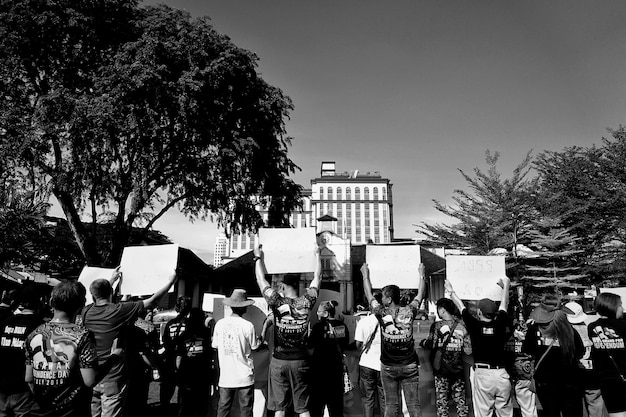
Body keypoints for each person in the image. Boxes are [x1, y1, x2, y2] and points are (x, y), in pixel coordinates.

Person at [82, 269, 177, 417]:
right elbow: (152, 301)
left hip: (90, 375)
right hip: (112, 377)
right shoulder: (118, 310)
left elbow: (99, 296)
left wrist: (111, 281)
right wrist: (171, 281)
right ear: (110, 293)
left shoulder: (86, 312)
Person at [24, 281, 122, 417]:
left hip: (40, 410)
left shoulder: (34, 334)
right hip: (72, 411)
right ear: (82, 304)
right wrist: (114, 357)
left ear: (52, 302)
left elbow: (29, 378)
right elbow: (90, 380)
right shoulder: (83, 335)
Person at [253, 245, 321, 417]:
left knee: (280, 409)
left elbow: (260, 280)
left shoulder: (276, 302)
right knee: (303, 408)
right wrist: (317, 255)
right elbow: (318, 276)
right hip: (301, 361)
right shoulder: (307, 301)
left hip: (278, 362)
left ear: (282, 287)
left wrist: (258, 257)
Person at [361, 263, 426, 417]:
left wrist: (365, 275)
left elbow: (368, 295)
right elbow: (420, 294)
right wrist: (422, 274)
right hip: (409, 364)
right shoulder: (410, 310)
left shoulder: (381, 312)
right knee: (413, 405)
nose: (381, 299)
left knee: (391, 404)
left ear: (389, 299)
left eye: (383, 296)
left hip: (389, 366)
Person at [445, 276, 513, 417]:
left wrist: (451, 291)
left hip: (483, 374)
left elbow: (461, 307)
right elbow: (504, 305)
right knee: (505, 413)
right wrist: (506, 285)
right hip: (502, 374)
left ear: (479, 312)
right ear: (494, 314)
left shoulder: (475, 326)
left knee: (483, 412)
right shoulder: (500, 324)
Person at [523, 294, 584, 417]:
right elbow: (580, 352)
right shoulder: (570, 330)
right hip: (570, 382)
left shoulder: (534, 329)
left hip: (545, 383)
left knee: (550, 413)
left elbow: (527, 349)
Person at [212, 289, 260, 417]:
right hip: (244, 375)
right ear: (244, 307)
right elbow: (255, 346)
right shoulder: (248, 325)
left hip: (226, 375)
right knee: (246, 410)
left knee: (223, 409)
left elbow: (215, 345)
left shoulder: (220, 324)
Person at [421, 298, 470, 417]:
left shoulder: (437, 325)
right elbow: (468, 350)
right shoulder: (462, 325)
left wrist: (422, 343)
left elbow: (431, 344)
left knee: (442, 404)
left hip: (441, 371)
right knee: (461, 403)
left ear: (442, 310)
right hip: (458, 371)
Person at [0, 284, 43, 417]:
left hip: (2, 387)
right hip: (24, 390)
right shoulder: (40, 327)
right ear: (41, 301)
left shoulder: (6, 322)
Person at [308, 300, 349, 417]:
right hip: (335, 370)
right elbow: (344, 344)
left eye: (319, 312)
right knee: (336, 408)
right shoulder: (341, 326)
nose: (317, 314)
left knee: (316, 408)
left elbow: (310, 345)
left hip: (318, 372)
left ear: (326, 313)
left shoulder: (318, 327)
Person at [565, 301, 606, 417]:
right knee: (595, 405)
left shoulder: (566, 332)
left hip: (573, 373)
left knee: (574, 407)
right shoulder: (591, 328)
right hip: (592, 372)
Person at [588, 292, 626, 417]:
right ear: (612, 307)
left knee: (616, 413)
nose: (623, 308)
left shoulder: (592, 327)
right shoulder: (623, 326)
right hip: (622, 374)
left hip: (606, 379)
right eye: (620, 305)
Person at [504, 286, 537, 417]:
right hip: (510, 371)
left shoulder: (505, 325)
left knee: (508, 408)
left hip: (519, 371)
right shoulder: (506, 325)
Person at [176, 307, 213, 417]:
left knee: (185, 406)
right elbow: (211, 353)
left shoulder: (183, 335)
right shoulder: (207, 334)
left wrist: (179, 373)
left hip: (187, 373)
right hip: (203, 374)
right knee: (201, 406)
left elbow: (179, 356)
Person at [354, 290, 385, 417]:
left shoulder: (363, 322)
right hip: (383, 364)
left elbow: (358, 344)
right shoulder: (388, 321)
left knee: (368, 400)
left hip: (366, 364)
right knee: (385, 400)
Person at [161, 296, 192, 415]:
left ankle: (164, 410)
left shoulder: (170, 324)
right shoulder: (190, 325)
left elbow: (165, 341)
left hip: (169, 359)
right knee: (184, 391)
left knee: (167, 389)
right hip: (185, 360)